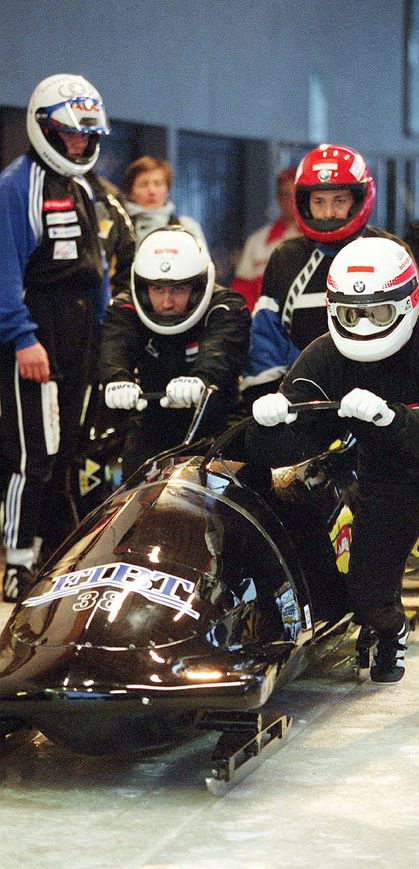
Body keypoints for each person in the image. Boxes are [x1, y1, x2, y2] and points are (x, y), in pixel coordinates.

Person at [247, 237, 419, 708]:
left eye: (378, 314)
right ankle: (388, 625)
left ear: (405, 305)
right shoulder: (324, 355)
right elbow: (295, 440)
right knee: (366, 582)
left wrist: (391, 416)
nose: (363, 327)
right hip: (387, 456)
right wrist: (270, 422)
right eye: (351, 314)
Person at [0, 73, 110, 601]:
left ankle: (46, 552)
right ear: (44, 129)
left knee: (65, 450)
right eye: (69, 133)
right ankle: (17, 561)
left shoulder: (82, 186)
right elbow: (3, 272)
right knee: (32, 456)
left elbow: (96, 269)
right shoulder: (15, 186)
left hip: (81, 338)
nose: (79, 143)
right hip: (35, 340)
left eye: (86, 134)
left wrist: (105, 330)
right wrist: (23, 338)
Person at [240, 143, 397, 404]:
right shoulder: (286, 257)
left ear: (358, 199)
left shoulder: (390, 251)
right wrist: (270, 402)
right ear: (305, 203)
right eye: (319, 201)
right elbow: (266, 339)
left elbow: (413, 331)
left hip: (379, 401)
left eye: (339, 200)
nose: (328, 213)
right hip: (302, 404)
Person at [99, 225, 250, 479]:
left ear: (198, 288)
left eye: (178, 289)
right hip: (152, 425)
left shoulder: (227, 307)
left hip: (218, 424)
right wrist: (116, 378)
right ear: (143, 289)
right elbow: (116, 343)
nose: (167, 302)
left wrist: (202, 379)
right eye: (157, 289)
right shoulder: (125, 308)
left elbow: (221, 352)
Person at [231, 166, 300, 311]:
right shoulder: (257, 241)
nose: (291, 200)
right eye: (285, 194)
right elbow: (242, 290)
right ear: (278, 198)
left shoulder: (317, 240)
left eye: (295, 194)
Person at [124, 155, 208, 251]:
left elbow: (202, 260)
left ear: (168, 191)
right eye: (144, 185)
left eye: (158, 184)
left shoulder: (187, 227)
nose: (152, 191)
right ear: (130, 193)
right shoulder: (121, 229)